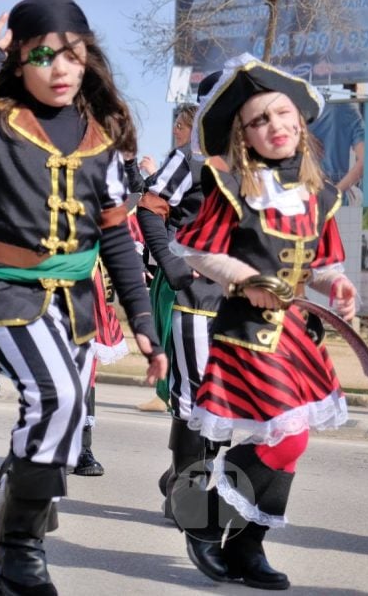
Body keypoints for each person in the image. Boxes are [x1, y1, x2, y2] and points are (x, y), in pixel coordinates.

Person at [0, 0, 165, 595]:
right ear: (21, 61)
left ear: (88, 61)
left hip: (76, 306)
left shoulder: (101, 140)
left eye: (73, 55)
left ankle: (8, 550)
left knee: (69, 413)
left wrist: (141, 317)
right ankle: (23, 552)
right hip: (7, 293)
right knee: (56, 397)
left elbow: (117, 239)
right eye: (43, 55)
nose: (61, 68)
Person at [171, 54, 356, 590]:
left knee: (289, 442)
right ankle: (203, 519)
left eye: (282, 115)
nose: (275, 126)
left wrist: (339, 286)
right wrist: (247, 279)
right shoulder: (234, 185)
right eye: (260, 121)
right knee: (286, 438)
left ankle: (248, 549)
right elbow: (197, 251)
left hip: (294, 333)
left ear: (300, 120)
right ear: (243, 135)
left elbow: (322, 267)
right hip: (245, 333)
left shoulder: (319, 193)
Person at [135, 78, 227, 523]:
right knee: (194, 396)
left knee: (227, 399)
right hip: (192, 296)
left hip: (237, 302)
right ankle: (186, 492)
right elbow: (150, 209)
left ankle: (180, 476)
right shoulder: (187, 159)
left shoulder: (254, 165)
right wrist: (173, 265)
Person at [309, 89, 365, 205]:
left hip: (302, 194)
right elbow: (364, 162)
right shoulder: (347, 109)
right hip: (336, 197)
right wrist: (336, 192)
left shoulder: (291, 111)